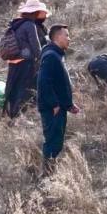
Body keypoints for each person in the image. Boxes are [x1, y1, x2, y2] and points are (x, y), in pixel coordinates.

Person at [37, 24, 79, 175]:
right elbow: (43, 82)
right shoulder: (50, 56)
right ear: (57, 37)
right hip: (52, 108)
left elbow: (58, 84)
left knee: (57, 142)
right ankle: (47, 176)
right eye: (66, 35)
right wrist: (54, 104)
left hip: (58, 107)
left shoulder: (56, 55)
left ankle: (50, 173)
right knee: (52, 142)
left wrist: (68, 105)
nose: (69, 38)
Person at [2, 0, 50, 122]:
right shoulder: (30, 25)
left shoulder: (17, 23)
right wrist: (43, 60)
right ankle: (20, 117)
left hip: (14, 62)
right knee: (25, 90)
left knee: (13, 88)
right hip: (26, 63)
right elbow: (36, 46)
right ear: (36, 12)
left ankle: (9, 115)